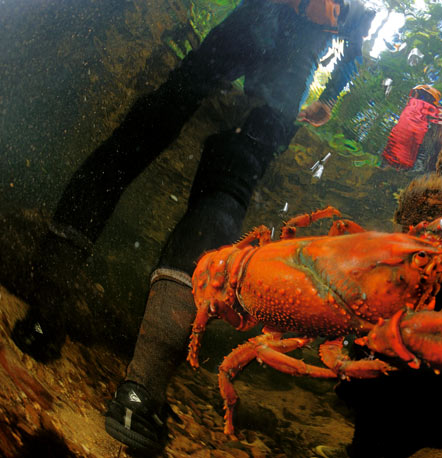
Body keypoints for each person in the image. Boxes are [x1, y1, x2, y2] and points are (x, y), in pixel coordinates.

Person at [10, 0, 375, 453]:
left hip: (250, 29)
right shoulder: (355, 16)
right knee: (225, 187)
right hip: (281, 70)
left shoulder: (345, 15)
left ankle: (43, 321)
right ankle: (138, 395)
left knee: (139, 137)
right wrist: (328, 96)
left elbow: (350, 42)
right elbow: (352, 48)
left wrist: (327, 84)